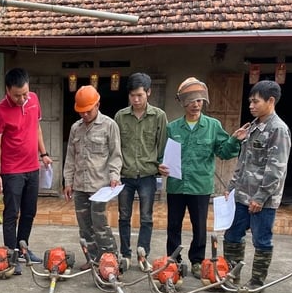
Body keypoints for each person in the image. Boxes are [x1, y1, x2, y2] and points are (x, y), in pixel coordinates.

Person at [161, 77, 245, 278]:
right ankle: (173, 260)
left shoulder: (213, 126)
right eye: (191, 101)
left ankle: (197, 261)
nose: (195, 105)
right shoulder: (173, 128)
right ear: (182, 103)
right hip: (176, 185)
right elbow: (163, 154)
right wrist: (161, 166)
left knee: (199, 226)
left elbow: (224, 152)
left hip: (200, 186)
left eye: (199, 101)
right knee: (173, 225)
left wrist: (234, 139)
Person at [223, 80, 291, 290]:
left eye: (255, 101)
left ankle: (256, 282)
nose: (251, 105)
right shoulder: (253, 127)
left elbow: (276, 169)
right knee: (232, 236)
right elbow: (243, 162)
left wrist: (260, 197)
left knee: (261, 240)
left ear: (270, 101)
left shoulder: (278, 129)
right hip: (241, 195)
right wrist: (232, 187)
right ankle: (231, 277)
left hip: (263, 200)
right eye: (250, 101)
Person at [0, 68, 52, 274]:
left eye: (25, 93)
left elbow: (37, 129)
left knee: (29, 212)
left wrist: (44, 154)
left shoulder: (33, 100)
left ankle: (23, 248)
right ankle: (11, 255)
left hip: (32, 167)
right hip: (11, 170)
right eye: (17, 95)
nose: (22, 98)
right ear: (8, 90)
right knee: (11, 214)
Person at [63, 86, 122, 270]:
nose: (85, 115)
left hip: (100, 186)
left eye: (88, 111)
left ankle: (111, 260)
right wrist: (68, 181)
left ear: (97, 104)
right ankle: (93, 259)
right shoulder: (75, 128)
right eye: (81, 112)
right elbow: (70, 157)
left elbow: (115, 154)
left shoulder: (109, 125)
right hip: (80, 185)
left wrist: (114, 176)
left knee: (100, 226)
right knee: (85, 226)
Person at [114, 73, 168, 265]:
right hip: (125, 175)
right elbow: (116, 147)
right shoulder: (120, 117)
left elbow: (162, 146)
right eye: (132, 95)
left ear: (148, 93)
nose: (136, 100)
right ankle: (126, 254)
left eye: (140, 95)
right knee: (124, 216)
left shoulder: (159, 116)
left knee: (146, 217)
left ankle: (142, 253)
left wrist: (162, 164)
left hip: (148, 174)